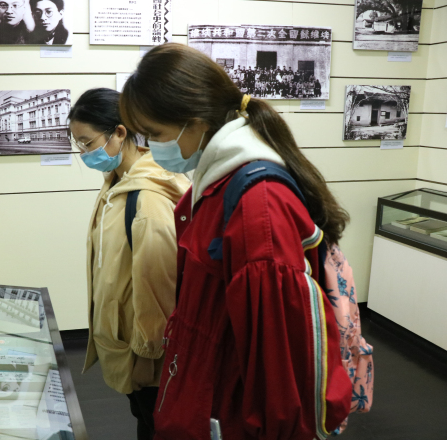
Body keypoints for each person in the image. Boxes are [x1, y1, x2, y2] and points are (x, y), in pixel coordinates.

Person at [120, 43, 352, 440]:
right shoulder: (216, 181)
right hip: (207, 389)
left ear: (195, 122)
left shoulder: (257, 205)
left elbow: (279, 363)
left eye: (155, 134)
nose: (150, 146)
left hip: (232, 414)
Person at [68, 88, 190, 440]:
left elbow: (159, 289)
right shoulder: (119, 183)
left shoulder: (147, 200)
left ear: (119, 133)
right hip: (126, 343)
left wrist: (147, 356)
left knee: (156, 425)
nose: (84, 154)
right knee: (146, 422)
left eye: (88, 143)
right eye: (79, 145)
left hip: (147, 358)